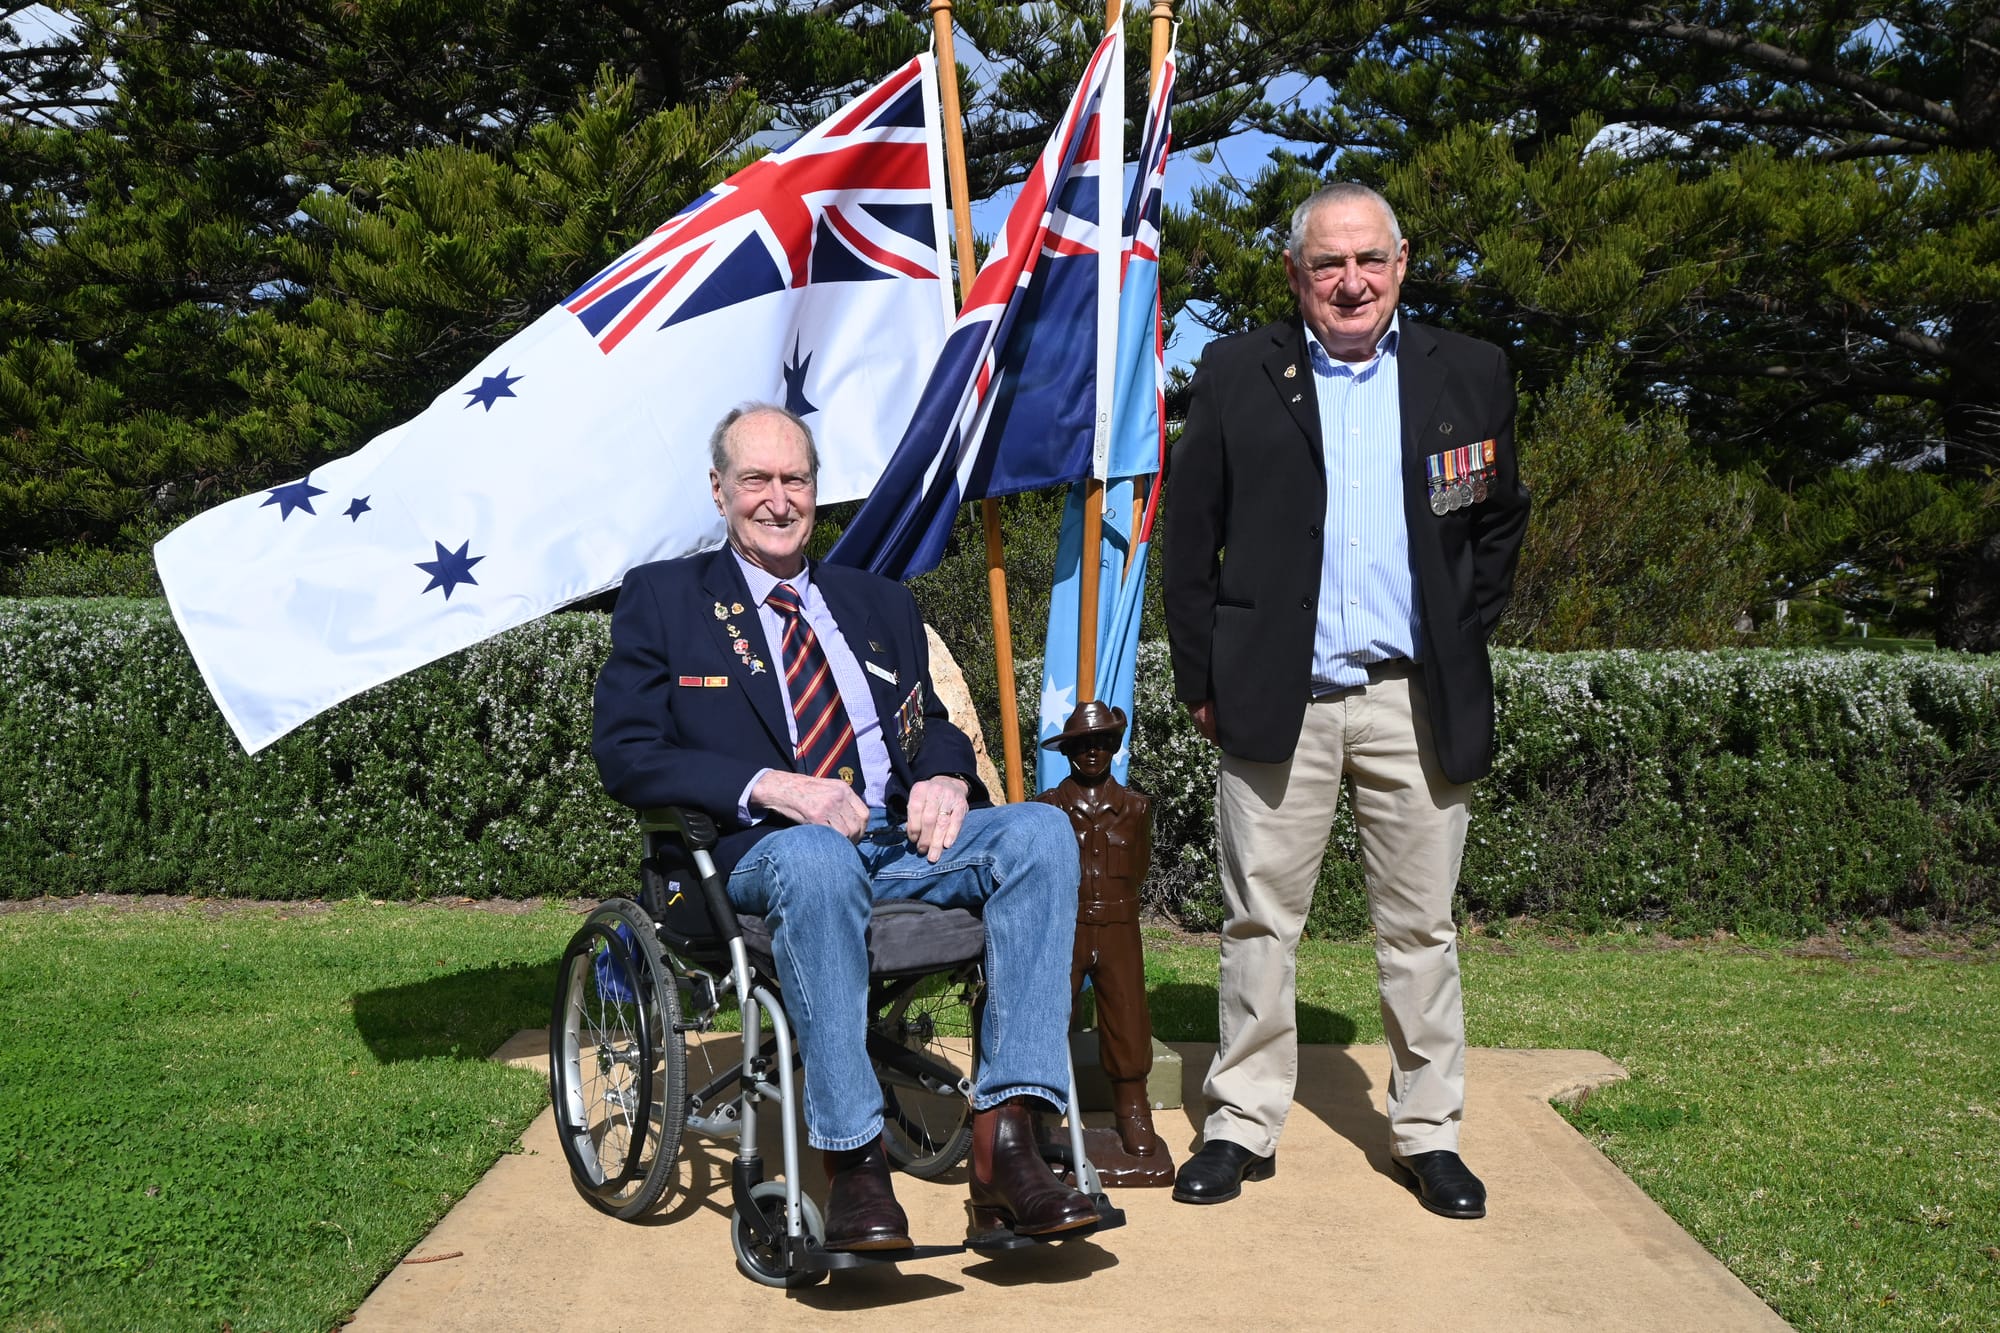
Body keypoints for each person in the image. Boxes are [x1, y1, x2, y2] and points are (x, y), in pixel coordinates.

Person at [592, 403, 1097, 1250]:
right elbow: (627, 753)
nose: (778, 498)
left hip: (895, 843)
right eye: (757, 479)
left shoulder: (877, 602)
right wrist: (775, 785)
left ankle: (1008, 1139)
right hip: (748, 855)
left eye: (796, 479)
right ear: (719, 491)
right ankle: (855, 1159)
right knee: (820, 857)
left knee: (1041, 836)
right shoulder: (665, 599)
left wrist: (942, 769)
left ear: (817, 492)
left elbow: (926, 720)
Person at [1162, 182, 1529, 1219]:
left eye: (1367, 260)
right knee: (1256, 925)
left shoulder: (1470, 371)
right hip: (1278, 701)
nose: (1349, 281)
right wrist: (1202, 681)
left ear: (1400, 263)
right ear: (1294, 275)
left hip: (1416, 699)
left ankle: (1426, 1133)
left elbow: (1497, 521)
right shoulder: (1238, 371)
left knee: (1420, 931)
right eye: (1327, 264)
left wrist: (1458, 629)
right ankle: (1239, 1121)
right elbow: (1188, 543)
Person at [1032, 701, 1169, 1169]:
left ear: (1114, 746)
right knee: (1051, 1016)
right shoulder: (1048, 809)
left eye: (1102, 743)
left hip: (1118, 927)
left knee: (1127, 1018)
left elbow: (1140, 868)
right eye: (1082, 745)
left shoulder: (1135, 808)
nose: (1093, 752)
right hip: (1064, 926)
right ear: (1068, 750)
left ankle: (1132, 1108)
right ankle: (1043, 1117)